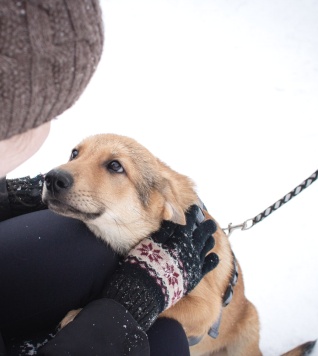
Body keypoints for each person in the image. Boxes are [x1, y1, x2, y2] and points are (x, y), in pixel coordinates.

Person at [0, 1, 219, 355]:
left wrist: (10, 196)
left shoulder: (177, 214)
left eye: (113, 166)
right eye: (76, 154)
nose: (64, 170)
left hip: (229, 336)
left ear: (165, 205)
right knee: (165, 341)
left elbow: (204, 311)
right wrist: (127, 306)